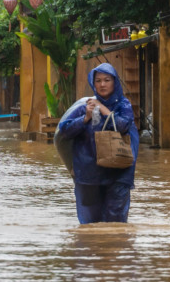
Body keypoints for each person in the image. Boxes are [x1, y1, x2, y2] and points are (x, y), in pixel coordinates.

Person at [56, 62, 137, 224]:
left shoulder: (123, 105)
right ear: (93, 83)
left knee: (116, 224)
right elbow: (64, 132)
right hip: (88, 174)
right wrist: (85, 118)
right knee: (89, 224)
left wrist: (103, 109)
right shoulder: (84, 107)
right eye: (98, 81)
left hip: (118, 173)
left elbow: (123, 126)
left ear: (114, 82)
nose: (102, 84)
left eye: (107, 80)